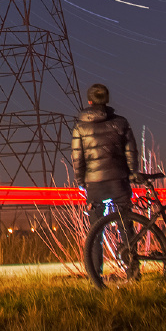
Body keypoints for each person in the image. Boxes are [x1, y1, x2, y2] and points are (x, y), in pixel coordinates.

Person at [71, 83, 140, 275]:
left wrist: (81, 181)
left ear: (90, 102)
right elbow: (131, 152)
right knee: (126, 229)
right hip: (119, 180)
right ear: (107, 100)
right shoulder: (121, 122)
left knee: (95, 232)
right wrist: (132, 173)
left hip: (94, 183)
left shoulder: (80, 126)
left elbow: (77, 157)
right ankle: (133, 272)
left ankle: (96, 275)